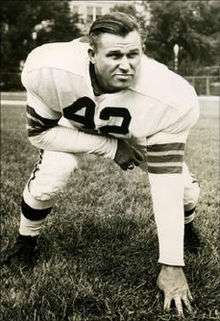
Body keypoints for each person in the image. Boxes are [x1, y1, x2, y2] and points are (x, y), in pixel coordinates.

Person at [1, 12, 201, 316]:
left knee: (184, 189)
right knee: (51, 177)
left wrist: (171, 264)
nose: (126, 64)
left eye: (133, 54)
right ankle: (26, 241)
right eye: (115, 55)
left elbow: (165, 181)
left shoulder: (170, 96)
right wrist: (110, 147)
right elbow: (40, 133)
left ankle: (187, 229)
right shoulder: (49, 69)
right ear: (91, 54)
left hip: (137, 131)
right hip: (73, 126)